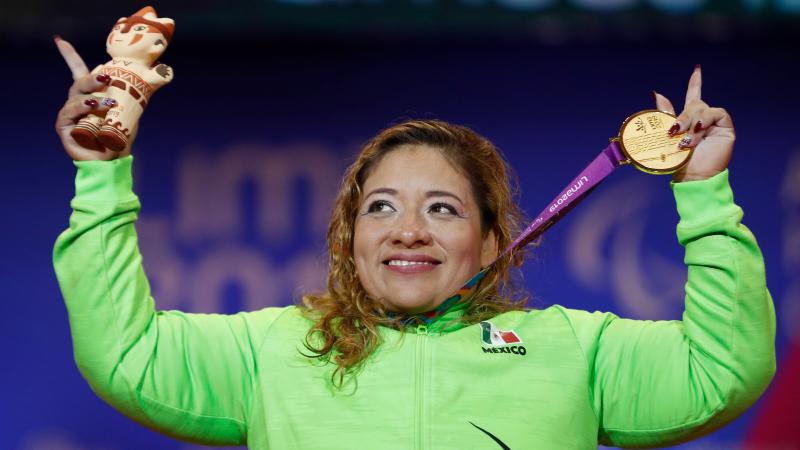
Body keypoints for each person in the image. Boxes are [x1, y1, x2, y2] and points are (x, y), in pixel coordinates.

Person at [53, 36, 776, 449]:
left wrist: (703, 192)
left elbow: (722, 371)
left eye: (442, 209)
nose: (408, 230)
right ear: (350, 236)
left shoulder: (576, 351)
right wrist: (102, 174)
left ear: (495, 240)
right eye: (382, 209)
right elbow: (125, 355)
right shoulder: (272, 350)